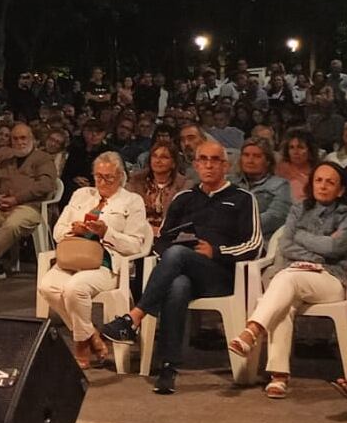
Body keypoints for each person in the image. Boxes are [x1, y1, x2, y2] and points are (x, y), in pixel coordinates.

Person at [102, 139, 262, 394]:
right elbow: (162, 241)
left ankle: (133, 318)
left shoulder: (242, 198)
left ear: (226, 166)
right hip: (182, 271)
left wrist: (216, 251)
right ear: (195, 165)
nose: (209, 165)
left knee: (176, 256)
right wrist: (175, 252)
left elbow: (254, 245)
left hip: (221, 274)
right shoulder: (184, 198)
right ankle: (168, 368)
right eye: (203, 160)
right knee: (178, 284)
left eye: (215, 160)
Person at [228, 162, 347, 398]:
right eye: (318, 180)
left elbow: (336, 247)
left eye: (330, 182)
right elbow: (286, 245)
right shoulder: (299, 209)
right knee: (285, 300)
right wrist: (318, 250)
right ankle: (279, 376)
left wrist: (303, 239)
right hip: (295, 275)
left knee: (286, 279)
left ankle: (252, 330)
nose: (323, 186)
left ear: (340, 190)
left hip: (330, 279)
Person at [38, 152, 151, 368]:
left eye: (109, 177)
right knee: (47, 286)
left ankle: (81, 346)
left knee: (74, 289)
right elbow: (58, 232)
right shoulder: (82, 195)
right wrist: (76, 229)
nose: (102, 182)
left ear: (120, 177)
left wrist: (106, 232)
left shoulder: (132, 201)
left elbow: (135, 245)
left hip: (106, 264)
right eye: (98, 176)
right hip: (74, 257)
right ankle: (92, 335)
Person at [0, 122, 59, 275]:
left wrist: (16, 199)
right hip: (1, 207)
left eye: (23, 138)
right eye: (15, 139)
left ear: (32, 139)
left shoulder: (43, 158)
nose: (19, 142)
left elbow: (46, 185)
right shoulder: (6, 161)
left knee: (12, 225)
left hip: (29, 207)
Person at [229, 138, 292, 244]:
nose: (250, 160)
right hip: (223, 238)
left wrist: (237, 226)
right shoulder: (229, 182)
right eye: (246, 155)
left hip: (260, 241)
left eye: (257, 156)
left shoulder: (280, 185)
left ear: (268, 161)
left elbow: (275, 217)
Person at [128, 143, 188, 233]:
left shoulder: (183, 186)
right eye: (154, 156)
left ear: (173, 163)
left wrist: (161, 231)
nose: (158, 161)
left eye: (164, 157)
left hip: (169, 234)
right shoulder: (135, 183)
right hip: (138, 232)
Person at [276, 128, 318, 202]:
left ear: (310, 150)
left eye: (300, 147)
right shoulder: (280, 169)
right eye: (291, 147)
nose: (295, 152)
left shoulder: (318, 171)